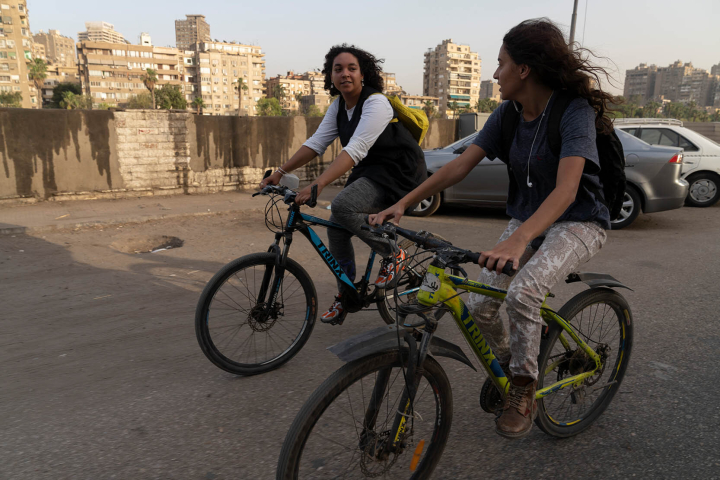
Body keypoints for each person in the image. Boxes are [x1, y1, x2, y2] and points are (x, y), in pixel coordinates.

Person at [370, 18, 615, 439]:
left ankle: (522, 386)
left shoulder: (572, 112)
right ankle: (514, 363)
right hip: (528, 220)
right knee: (480, 306)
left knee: (523, 292)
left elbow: (567, 188)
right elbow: (460, 164)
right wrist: (403, 204)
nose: (495, 73)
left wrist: (520, 240)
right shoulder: (507, 114)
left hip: (579, 221)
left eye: (501, 64)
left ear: (524, 69)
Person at [260, 44, 426, 325]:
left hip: (400, 172)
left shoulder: (376, 103)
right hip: (370, 170)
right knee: (337, 225)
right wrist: (280, 171)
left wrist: (318, 184)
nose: (345, 74)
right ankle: (346, 294)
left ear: (364, 74)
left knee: (343, 205)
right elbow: (316, 143)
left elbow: (356, 148)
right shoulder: (338, 106)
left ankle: (393, 254)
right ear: (331, 76)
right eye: (338, 69)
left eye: (352, 68)